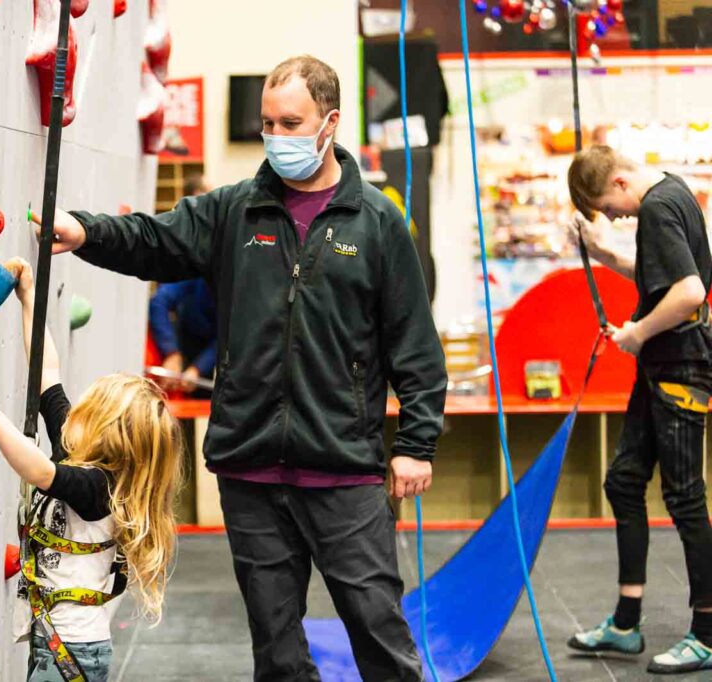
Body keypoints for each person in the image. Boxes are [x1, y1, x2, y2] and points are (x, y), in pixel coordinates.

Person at [31, 54, 447, 681]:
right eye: (268, 124)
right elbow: (155, 239)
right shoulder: (236, 211)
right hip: (250, 469)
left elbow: (415, 343)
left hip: (344, 469)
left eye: (291, 123)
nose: (277, 137)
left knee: (378, 633)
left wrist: (416, 443)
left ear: (329, 123)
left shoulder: (378, 223)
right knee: (275, 650)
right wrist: (85, 232)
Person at [0, 260, 183, 682]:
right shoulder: (82, 452)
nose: (74, 410)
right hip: (55, 641)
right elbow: (47, 377)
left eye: (88, 409)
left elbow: (42, 473)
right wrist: (30, 301)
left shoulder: (99, 487)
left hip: (72, 650)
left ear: (107, 434)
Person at [565, 145, 712, 675]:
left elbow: (690, 292)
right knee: (625, 482)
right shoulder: (673, 192)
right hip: (663, 368)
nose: (619, 217)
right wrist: (602, 253)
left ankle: (708, 634)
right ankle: (626, 624)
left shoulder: (655, 206)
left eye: (612, 207)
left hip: (680, 367)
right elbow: (663, 278)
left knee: (685, 499)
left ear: (623, 183)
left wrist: (637, 332)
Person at [149, 173, 216, 395]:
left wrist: (200, 368)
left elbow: (233, 329)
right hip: (188, 337)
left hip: (222, 349)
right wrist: (171, 353)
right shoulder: (191, 252)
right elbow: (159, 302)